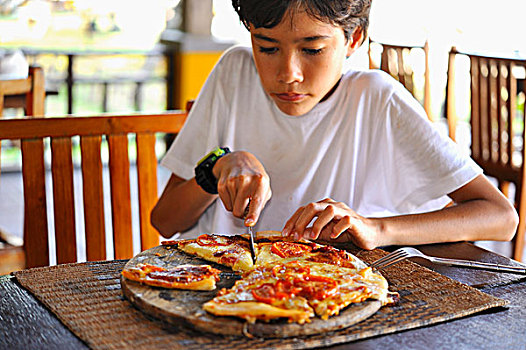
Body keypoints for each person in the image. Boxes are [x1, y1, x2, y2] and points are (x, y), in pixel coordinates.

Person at [151, 0, 518, 250]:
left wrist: (375, 228)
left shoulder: (376, 99)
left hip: (328, 291)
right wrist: (217, 167)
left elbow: (500, 217)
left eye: (312, 50)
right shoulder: (234, 73)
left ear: (353, 38)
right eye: (266, 48)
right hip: (225, 291)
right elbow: (165, 222)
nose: (288, 74)